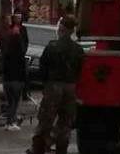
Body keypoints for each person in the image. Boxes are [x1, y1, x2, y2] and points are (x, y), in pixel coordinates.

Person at [28, 15, 85, 154]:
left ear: (61, 29)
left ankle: (38, 149)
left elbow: (43, 67)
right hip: (70, 87)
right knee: (65, 123)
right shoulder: (78, 49)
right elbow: (80, 69)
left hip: (53, 86)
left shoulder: (52, 46)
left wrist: (45, 84)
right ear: (72, 30)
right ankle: (61, 149)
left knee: (45, 121)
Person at [3, 30, 27, 131]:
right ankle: (10, 122)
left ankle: (9, 121)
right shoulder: (21, 54)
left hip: (7, 80)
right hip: (17, 80)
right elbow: (23, 69)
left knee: (9, 102)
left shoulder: (6, 53)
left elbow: (3, 67)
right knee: (14, 103)